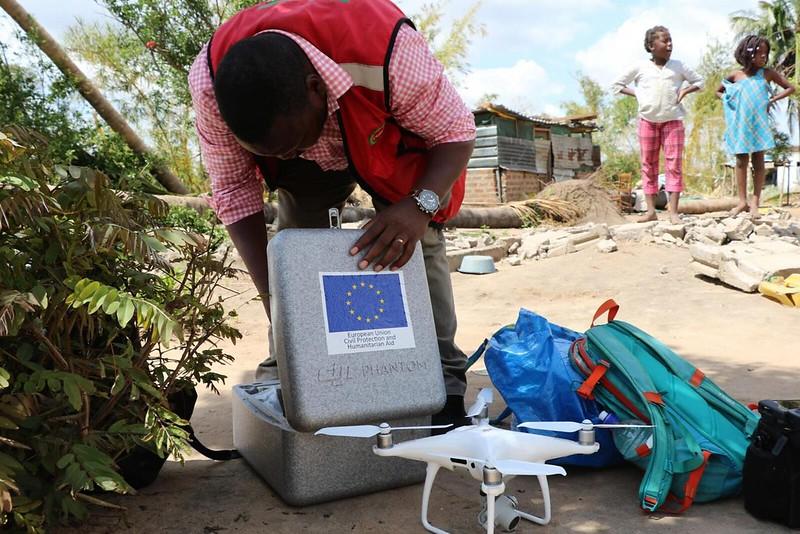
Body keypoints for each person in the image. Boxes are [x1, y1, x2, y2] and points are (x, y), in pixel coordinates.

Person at [188, 0, 475, 428]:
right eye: (273, 152)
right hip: (307, 168)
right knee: (297, 258)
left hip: (386, 137)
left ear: (315, 87)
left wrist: (417, 209)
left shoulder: (386, 48)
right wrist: (280, 300)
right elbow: (234, 193)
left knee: (416, 242)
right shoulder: (211, 85)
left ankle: (441, 375)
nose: (288, 154)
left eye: (292, 141)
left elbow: (455, 133)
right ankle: (290, 370)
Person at [612, 25, 703, 225]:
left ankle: (673, 212)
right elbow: (617, 86)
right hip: (647, 121)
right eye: (664, 41)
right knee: (648, 165)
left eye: (670, 40)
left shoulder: (678, 66)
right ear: (651, 46)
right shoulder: (640, 67)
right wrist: (639, 94)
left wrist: (686, 90)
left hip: (673, 121)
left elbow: (700, 81)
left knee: (674, 165)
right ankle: (651, 211)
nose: (669, 44)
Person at [716, 35, 795, 220]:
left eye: (766, 54)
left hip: (759, 124)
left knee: (759, 161)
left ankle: (755, 203)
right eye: (759, 53)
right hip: (741, 124)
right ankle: (742, 202)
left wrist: (772, 100)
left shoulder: (767, 74)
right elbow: (718, 91)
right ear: (747, 53)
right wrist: (728, 100)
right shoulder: (736, 75)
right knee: (741, 161)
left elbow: (790, 88)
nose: (763, 57)